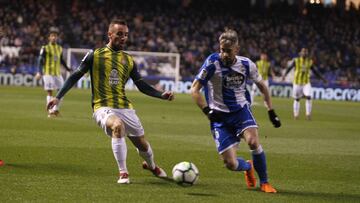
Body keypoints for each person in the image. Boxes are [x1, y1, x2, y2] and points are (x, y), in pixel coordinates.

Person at [47, 19, 174, 184]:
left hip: (125, 107)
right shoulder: (95, 55)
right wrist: (58, 96)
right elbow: (75, 76)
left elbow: (141, 85)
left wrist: (161, 95)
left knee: (142, 145)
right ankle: (123, 173)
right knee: (117, 126)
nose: (123, 38)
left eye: (126, 35)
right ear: (110, 34)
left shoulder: (128, 60)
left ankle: (152, 166)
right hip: (102, 107)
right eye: (119, 34)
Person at [190, 28, 281, 193]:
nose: (224, 54)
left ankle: (265, 183)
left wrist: (271, 111)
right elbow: (194, 90)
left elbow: (263, 87)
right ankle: (248, 167)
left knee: (253, 142)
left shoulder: (246, 64)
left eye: (228, 51)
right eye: (222, 50)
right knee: (231, 164)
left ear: (237, 49)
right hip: (219, 117)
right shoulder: (211, 63)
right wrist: (207, 111)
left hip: (241, 111)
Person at [35, 27, 72, 117]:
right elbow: (40, 59)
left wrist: (67, 68)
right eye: (52, 36)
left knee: (62, 92)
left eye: (55, 36)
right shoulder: (45, 48)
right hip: (48, 73)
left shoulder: (59, 48)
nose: (54, 38)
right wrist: (39, 72)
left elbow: (61, 60)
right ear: (49, 38)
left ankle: (55, 109)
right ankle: (50, 110)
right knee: (50, 92)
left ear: (57, 38)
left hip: (57, 73)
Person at [282, 47, 327, 120]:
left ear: (307, 54)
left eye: (305, 52)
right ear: (300, 53)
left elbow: (315, 71)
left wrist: (322, 79)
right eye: (303, 52)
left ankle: (308, 114)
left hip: (306, 83)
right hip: (297, 83)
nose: (304, 53)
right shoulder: (296, 61)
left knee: (309, 97)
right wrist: (284, 75)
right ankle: (296, 115)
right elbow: (289, 68)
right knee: (297, 99)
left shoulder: (309, 61)